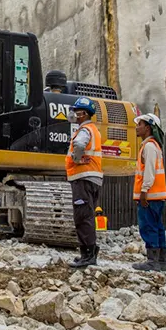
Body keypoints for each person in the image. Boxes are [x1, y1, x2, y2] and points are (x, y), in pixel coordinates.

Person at [65, 97, 103, 268]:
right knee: (87, 215)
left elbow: (79, 145)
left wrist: (75, 158)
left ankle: (88, 255)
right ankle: (89, 253)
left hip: (83, 178)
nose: (73, 114)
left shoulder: (84, 130)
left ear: (84, 113)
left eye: (76, 111)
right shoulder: (93, 129)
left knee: (82, 217)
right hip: (92, 178)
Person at [132, 113, 166, 272]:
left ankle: (152, 261)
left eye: (139, 124)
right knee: (157, 226)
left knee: (148, 226)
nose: (137, 127)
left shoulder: (149, 146)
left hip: (150, 195)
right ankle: (161, 261)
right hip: (157, 196)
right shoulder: (154, 146)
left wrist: (144, 191)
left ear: (148, 127)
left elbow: (149, 171)